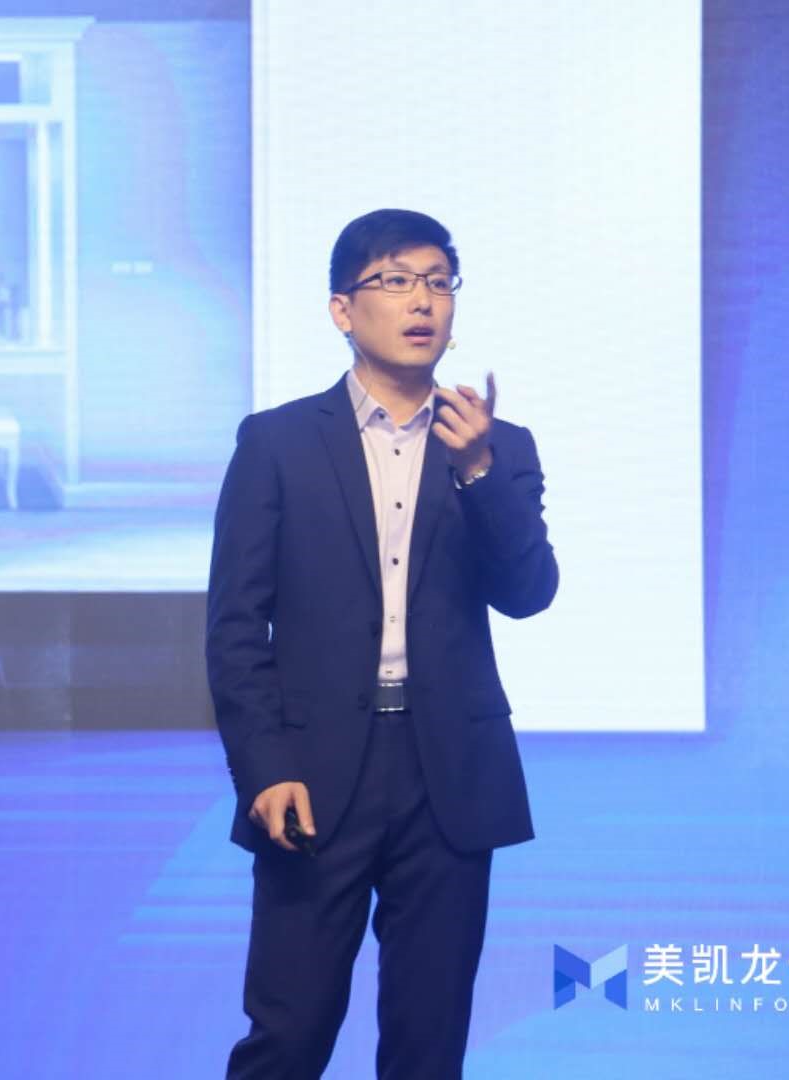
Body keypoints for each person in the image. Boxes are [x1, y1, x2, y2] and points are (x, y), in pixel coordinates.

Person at [207, 208, 558, 1078]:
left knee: (428, 1046)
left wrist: (478, 473)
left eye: (438, 282)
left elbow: (528, 594)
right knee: (289, 1036)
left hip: (449, 777)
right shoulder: (278, 442)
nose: (422, 301)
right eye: (395, 281)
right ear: (342, 308)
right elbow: (236, 625)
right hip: (315, 773)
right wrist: (264, 767)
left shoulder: (498, 448)